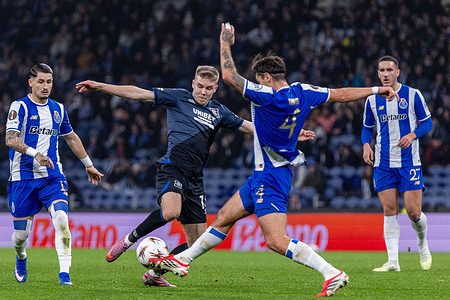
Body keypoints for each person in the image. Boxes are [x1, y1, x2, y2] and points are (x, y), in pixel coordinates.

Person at [152, 23, 398, 297]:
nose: (256, 83)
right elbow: (340, 95)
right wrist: (376, 90)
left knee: (275, 241)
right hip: (263, 174)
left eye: (259, 79)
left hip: (271, 175)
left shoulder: (267, 95)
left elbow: (230, 76)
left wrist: (225, 43)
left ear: (267, 77)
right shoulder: (303, 90)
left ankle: (332, 273)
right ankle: (182, 260)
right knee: (222, 219)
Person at [76, 66, 259, 287]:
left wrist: (290, 134)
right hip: (172, 167)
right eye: (199, 86)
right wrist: (100, 86)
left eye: (208, 88)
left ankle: (154, 275)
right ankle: (128, 241)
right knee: (172, 211)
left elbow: (250, 127)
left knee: (198, 243)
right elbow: (138, 93)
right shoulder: (178, 97)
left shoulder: (219, 112)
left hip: (195, 179)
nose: (203, 91)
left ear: (215, 89)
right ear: (193, 84)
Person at [5, 63, 104, 285]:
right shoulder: (19, 107)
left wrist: (88, 164)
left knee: (61, 219)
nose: (45, 86)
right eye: (40, 81)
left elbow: (71, 137)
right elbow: (10, 139)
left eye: (49, 81)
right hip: (23, 178)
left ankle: (64, 274)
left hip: (52, 177)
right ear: (30, 82)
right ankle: (21, 257)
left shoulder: (58, 109)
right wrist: (35, 154)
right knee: (21, 237)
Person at [361, 55, 433, 272]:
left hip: (409, 161)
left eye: (389, 70)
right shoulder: (372, 99)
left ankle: (422, 244)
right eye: (381, 70)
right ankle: (393, 261)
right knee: (389, 209)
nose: (385, 74)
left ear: (397, 72)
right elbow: (366, 127)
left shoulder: (412, 95)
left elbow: (427, 123)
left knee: (413, 212)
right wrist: (366, 144)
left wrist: (412, 135)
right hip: (383, 162)